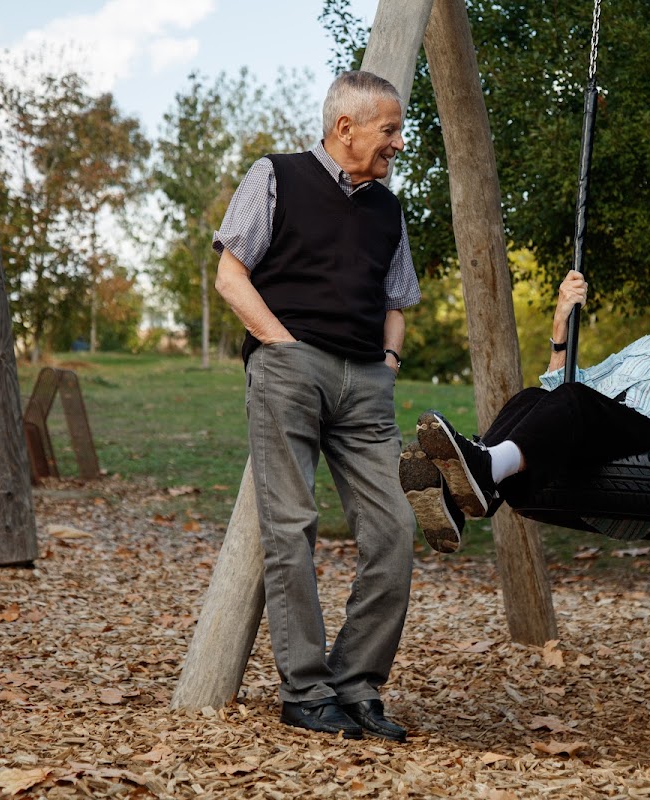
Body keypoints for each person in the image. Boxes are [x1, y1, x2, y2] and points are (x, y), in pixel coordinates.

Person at [213, 71, 420, 742]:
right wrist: (280, 343)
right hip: (290, 366)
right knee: (292, 525)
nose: (397, 142)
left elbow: (396, 300)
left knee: (394, 531)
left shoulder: (388, 209)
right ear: (345, 129)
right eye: (389, 130)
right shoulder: (276, 175)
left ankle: (357, 685)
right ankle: (305, 691)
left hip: (366, 381)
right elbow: (229, 273)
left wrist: (388, 365)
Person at [400, 248, 650, 553]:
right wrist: (560, 327)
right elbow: (560, 391)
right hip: (604, 445)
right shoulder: (646, 347)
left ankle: (483, 469)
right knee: (533, 397)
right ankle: (469, 494)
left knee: (576, 401)